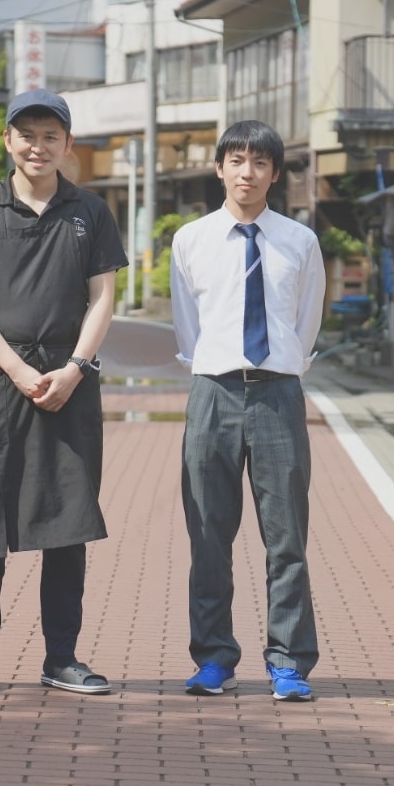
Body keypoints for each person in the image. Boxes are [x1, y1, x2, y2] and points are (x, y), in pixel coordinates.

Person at [0, 88, 127, 696]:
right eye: (27, 134)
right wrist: (17, 369)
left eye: (51, 136)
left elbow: (103, 297)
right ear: (8, 140)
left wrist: (74, 367)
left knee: (67, 522)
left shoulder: (90, 212)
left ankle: (61, 658)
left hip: (71, 382)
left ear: (67, 145)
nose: (38, 146)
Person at [169, 119, 326, 702]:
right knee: (208, 532)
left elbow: (306, 322)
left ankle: (288, 661)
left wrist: (283, 367)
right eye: (236, 161)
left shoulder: (299, 241)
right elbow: (187, 324)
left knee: (286, 536)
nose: (247, 173)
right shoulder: (191, 240)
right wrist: (211, 366)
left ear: (274, 174)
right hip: (212, 392)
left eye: (260, 163)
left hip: (279, 393)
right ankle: (214, 658)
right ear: (219, 169)